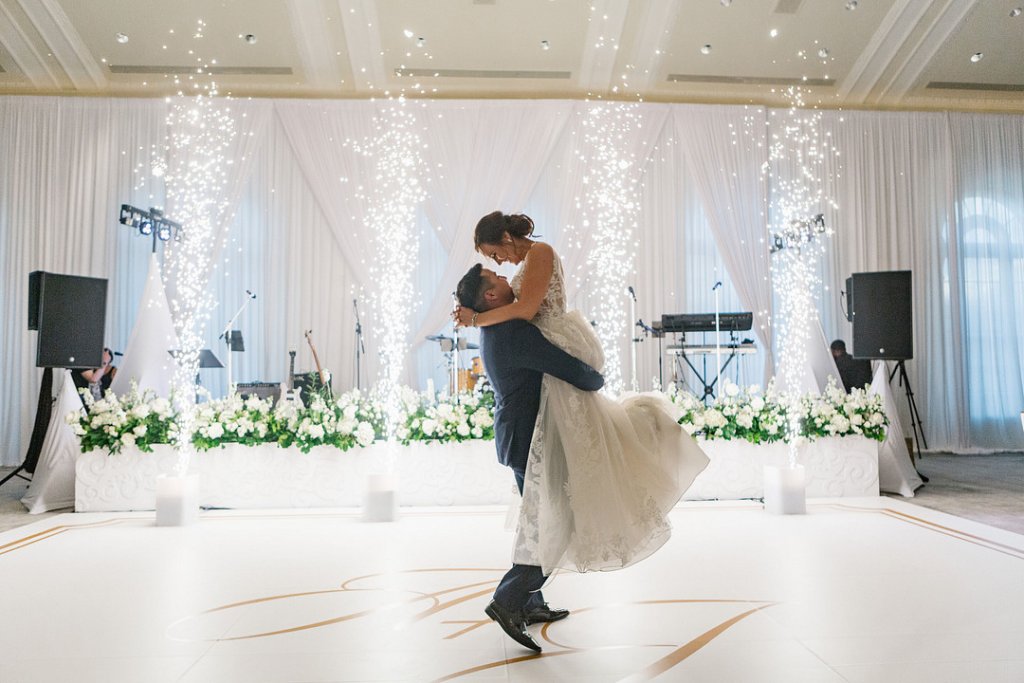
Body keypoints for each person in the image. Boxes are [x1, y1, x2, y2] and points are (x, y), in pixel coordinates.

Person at [455, 212, 709, 593]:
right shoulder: (507, 329)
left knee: (546, 515)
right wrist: (479, 318)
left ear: (506, 237)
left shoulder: (539, 253)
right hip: (535, 394)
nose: (499, 264)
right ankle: (513, 598)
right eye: (492, 264)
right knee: (550, 516)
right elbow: (523, 315)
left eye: (495, 253)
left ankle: (524, 598)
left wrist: (477, 319)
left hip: (546, 361)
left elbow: (526, 311)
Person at [456, 263, 605, 653]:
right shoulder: (514, 330)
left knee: (538, 520)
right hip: (526, 439)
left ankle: (531, 603)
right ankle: (508, 600)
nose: (508, 279)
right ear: (490, 296)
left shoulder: (492, 327)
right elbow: (567, 368)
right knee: (554, 523)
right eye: (497, 277)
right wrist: (596, 378)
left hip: (515, 435)